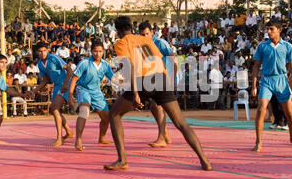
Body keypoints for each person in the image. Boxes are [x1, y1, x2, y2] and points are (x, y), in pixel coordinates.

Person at [105, 16, 212, 171]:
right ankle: (204, 160)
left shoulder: (122, 42)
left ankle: (122, 160)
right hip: (161, 78)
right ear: (131, 28)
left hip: (143, 80)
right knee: (181, 122)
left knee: (114, 114)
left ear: (118, 31)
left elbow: (129, 67)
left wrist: (135, 94)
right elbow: (160, 60)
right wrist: (167, 82)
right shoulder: (147, 40)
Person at [251, 20, 292, 152]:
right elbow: (256, 66)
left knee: (289, 113)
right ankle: (258, 142)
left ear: (279, 30)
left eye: (271, 29)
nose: (268, 32)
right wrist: (254, 85)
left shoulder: (287, 46)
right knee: (261, 109)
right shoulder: (262, 46)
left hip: (282, 81)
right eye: (267, 29)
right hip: (266, 80)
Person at [67, 40, 115, 150]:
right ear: (91, 51)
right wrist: (70, 96)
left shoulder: (105, 65)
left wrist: (125, 83)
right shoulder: (84, 63)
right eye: (95, 51)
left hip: (96, 91)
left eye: (100, 51)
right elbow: (74, 79)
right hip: (83, 89)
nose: (97, 54)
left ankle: (101, 138)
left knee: (106, 117)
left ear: (103, 52)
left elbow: (113, 78)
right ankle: (78, 139)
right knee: (84, 111)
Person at [27, 42, 74, 147]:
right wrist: (34, 91)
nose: (42, 53)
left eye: (44, 50)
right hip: (57, 86)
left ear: (47, 50)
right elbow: (46, 80)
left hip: (64, 84)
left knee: (54, 109)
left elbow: (69, 70)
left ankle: (59, 138)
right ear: (37, 52)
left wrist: (66, 84)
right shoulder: (39, 64)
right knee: (54, 110)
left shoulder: (54, 57)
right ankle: (68, 131)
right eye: (40, 51)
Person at [139, 21, 175, 148]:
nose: (144, 36)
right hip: (152, 80)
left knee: (157, 106)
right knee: (154, 108)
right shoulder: (142, 46)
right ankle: (165, 133)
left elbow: (173, 58)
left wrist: (172, 78)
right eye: (142, 34)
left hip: (164, 78)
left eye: (147, 34)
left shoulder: (160, 43)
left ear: (152, 32)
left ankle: (162, 137)